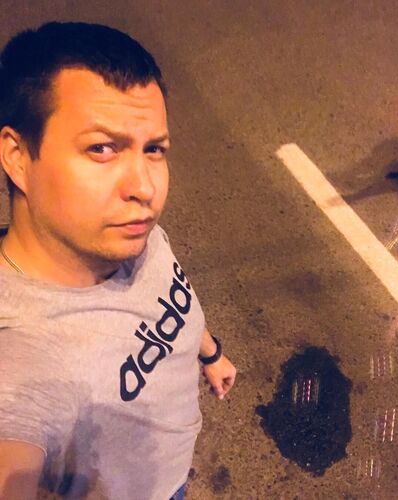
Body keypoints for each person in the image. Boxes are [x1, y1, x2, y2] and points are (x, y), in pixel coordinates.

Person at [0, 22, 236, 500]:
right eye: (102, 148)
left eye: (154, 150)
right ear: (18, 157)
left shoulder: (127, 236)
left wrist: (210, 352)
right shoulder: (20, 364)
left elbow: (171, 294)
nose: (144, 189)